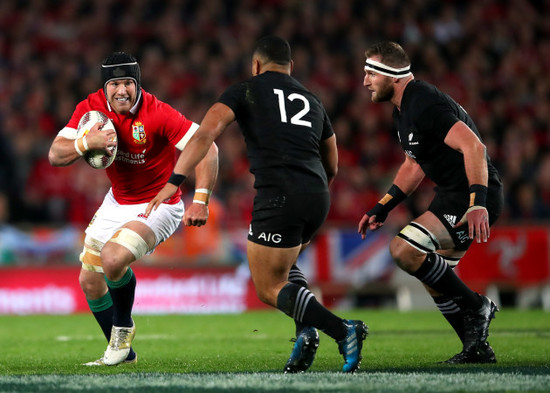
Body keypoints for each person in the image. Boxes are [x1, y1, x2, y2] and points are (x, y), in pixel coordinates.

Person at [146, 36, 367, 373]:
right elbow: (332, 164)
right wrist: (313, 191)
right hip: (317, 195)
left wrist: (174, 181)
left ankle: (343, 330)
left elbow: (205, 135)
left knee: (268, 286)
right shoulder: (312, 99)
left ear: (256, 65)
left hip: (280, 194)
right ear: (290, 67)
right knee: (285, 267)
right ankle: (305, 332)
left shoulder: (245, 90)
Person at [48, 52, 219, 366]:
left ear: (138, 84)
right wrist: (85, 143)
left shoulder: (158, 113)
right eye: (115, 83)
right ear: (106, 88)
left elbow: (207, 147)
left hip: (158, 205)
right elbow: (56, 155)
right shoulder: (90, 108)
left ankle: (122, 328)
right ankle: (124, 354)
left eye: (128, 82)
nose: (121, 90)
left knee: (113, 258)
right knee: (89, 281)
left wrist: (200, 199)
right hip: (117, 201)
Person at [358, 41, 504, 363]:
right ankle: (475, 347)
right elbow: (413, 166)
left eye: (371, 72)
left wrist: (476, 203)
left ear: (392, 75)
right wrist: (382, 206)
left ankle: (479, 307)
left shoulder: (422, 102)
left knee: (404, 250)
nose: (365, 80)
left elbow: (474, 147)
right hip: (452, 195)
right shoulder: (404, 109)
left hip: (472, 195)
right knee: (434, 277)